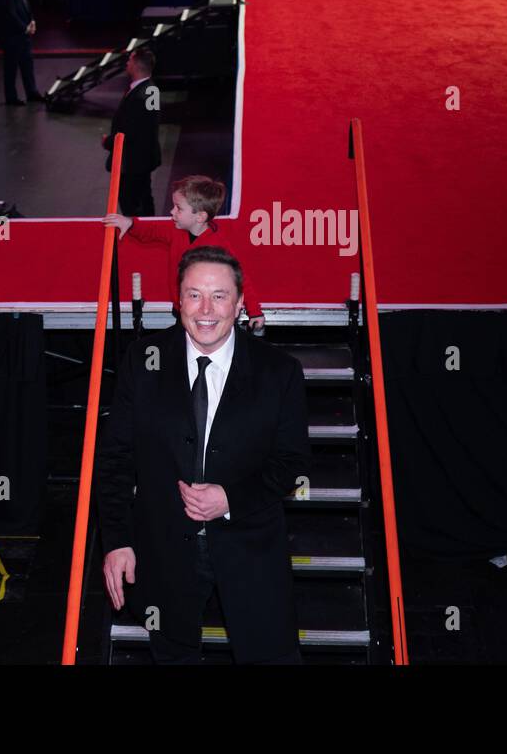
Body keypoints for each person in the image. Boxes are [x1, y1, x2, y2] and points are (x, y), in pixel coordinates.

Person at [94, 245, 310, 664]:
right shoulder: (143, 362)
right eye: (194, 295)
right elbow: (114, 460)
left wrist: (231, 498)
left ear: (240, 303)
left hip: (251, 549)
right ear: (179, 301)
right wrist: (117, 541)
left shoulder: (279, 371)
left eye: (220, 295)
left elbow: (293, 463)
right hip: (165, 555)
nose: (206, 308)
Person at [105, 175, 266, 330]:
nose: (172, 211)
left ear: (200, 217)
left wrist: (255, 312)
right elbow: (151, 231)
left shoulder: (217, 247)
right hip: (182, 308)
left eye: (179, 208)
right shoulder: (177, 231)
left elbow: (240, 278)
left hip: (206, 314)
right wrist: (130, 223)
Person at [102, 47, 160, 216]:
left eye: (129, 60)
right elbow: (149, 126)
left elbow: (132, 131)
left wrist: (108, 141)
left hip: (132, 162)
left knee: (131, 203)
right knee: (144, 199)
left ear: (135, 65)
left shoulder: (140, 94)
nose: (127, 63)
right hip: (143, 159)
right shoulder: (151, 90)